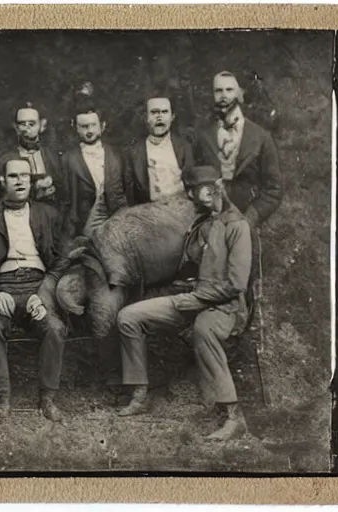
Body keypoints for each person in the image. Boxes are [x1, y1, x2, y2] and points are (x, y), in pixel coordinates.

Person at [115, 165, 252, 441]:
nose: (190, 195)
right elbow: (188, 267)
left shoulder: (237, 226)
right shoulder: (199, 222)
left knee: (204, 328)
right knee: (128, 317)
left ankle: (234, 417)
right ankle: (139, 395)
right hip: (191, 299)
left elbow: (236, 285)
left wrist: (195, 298)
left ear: (217, 186)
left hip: (225, 308)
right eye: (188, 189)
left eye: (196, 188)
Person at [0, 158, 70, 423]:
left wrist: (45, 292)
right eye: (13, 176)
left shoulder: (47, 214)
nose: (20, 181)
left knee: (54, 328)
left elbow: (63, 259)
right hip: (0, 286)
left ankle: (47, 397)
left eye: (25, 176)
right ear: (2, 180)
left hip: (37, 286)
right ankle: (2, 397)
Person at [194, 71, 283, 228]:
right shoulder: (203, 137)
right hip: (211, 221)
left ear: (240, 94)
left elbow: (273, 191)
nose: (223, 96)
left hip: (247, 220)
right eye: (218, 91)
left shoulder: (261, 137)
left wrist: (249, 219)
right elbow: (195, 178)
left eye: (229, 90)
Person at [62, 86, 128, 238]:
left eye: (93, 125)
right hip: (85, 222)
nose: (89, 131)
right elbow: (67, 199)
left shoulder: (117, 154)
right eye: (84, 127)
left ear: (103, 126)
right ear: (75, 128)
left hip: (117, 218)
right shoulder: (68, 159)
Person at [0, 102, 68, 211]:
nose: (26, 129)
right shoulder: (6, 159)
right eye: (22, 124)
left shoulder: (53, 156)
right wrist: (36, 187)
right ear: (16, 127)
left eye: (31, 124)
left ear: (42, 125)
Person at [125, 96, 194, 205]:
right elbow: (130, 192)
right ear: (145, 117)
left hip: (181, 210)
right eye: (154, 112)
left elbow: (192, 182)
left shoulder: (184, 146)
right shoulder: (134, 151)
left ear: (172, 117)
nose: (159, 117)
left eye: (164, 112)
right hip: (149, 212)